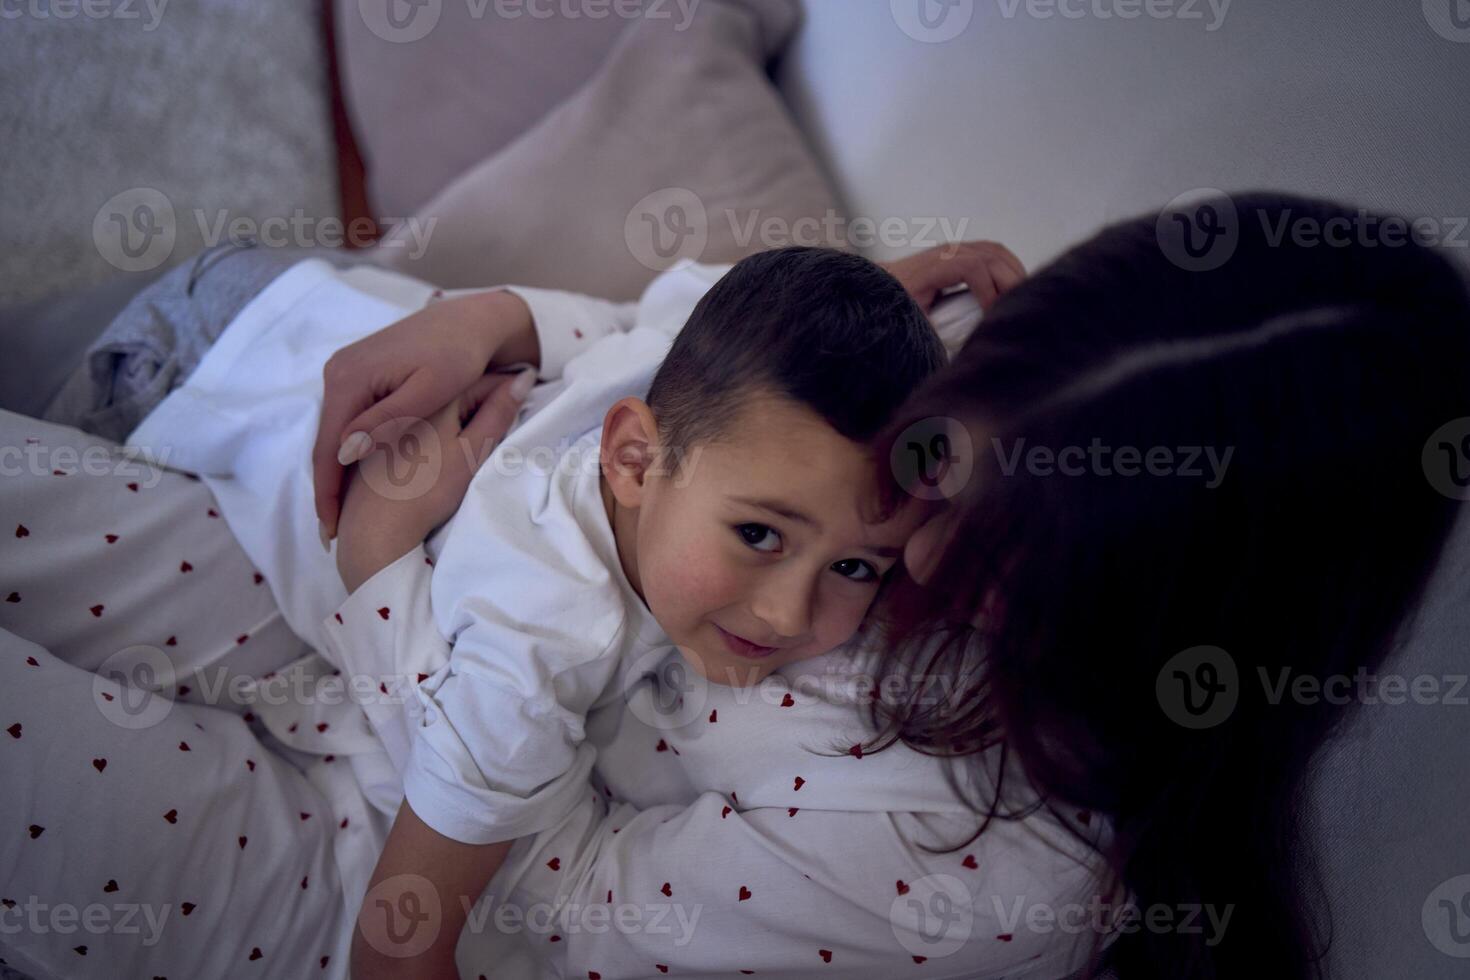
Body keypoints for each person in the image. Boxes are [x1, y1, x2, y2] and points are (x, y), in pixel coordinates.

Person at [121, 245, 955, 978]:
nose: (784, 614)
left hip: (289, 302)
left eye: (853, 566)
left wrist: (872, 298)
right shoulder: (547, 642)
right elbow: (396, 947)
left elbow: (671, 308)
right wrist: (372, 565)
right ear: (632, 457)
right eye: (759, 534)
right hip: (181, 375)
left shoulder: (695, 370)